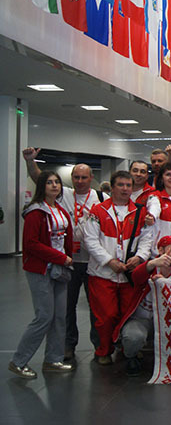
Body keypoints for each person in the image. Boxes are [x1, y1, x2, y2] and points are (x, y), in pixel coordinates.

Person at [21, 148, 105, 361]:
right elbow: (39, 178)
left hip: (93, 261)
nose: (80, 181)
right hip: (68, 261)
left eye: (84, 177)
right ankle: (68, 345)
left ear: (91, 178)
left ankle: (100, 347)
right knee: (66, 308)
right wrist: (30, 161)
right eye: (76, 177)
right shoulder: (63, 194)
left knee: (97, 308)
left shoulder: (101, 198)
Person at [83, 171, 153, 365]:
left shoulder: (140, 212)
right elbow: (90, 241)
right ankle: (104, 350)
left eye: (128, 185)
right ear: (112, 187)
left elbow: (147, 238)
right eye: (120, 185)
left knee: (128, 313)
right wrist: (109, 261)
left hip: (129, 275)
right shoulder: (97, 211)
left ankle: (127, 348)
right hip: (102, 274)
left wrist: (139, 257)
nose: (125, 189)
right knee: (105, 316)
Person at [9, 171, 74, 379]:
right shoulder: (35, 212)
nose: (54, 185)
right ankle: (19, 361)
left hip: (60, 268)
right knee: (44, 316)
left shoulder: (60, 210)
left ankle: (53, 359)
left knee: (59, 316)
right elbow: (31, 244)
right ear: (41, 187)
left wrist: (65, 259)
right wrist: (60, 257)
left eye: (57, 182)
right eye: (49, 182)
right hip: (41, 269)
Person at [114, 236, 171, 376]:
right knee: (133, 337)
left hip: (167, 322)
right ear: (161, 250)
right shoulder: (149, 269)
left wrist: (166, 284)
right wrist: (152, 263)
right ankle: (131, 356)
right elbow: (136, 276)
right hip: (142, 320)